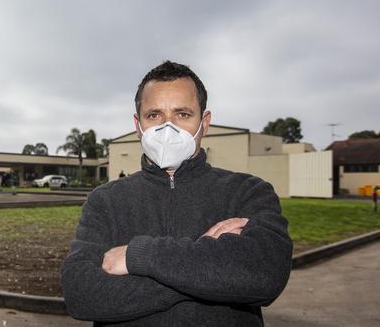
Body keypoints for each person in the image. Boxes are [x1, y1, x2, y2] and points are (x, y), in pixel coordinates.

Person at [61, 61, 293, 326]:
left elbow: (264, 276)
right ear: (138, 125)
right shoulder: (105, 200)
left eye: (182, 114)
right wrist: (203, 263)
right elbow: (81, 295)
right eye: (154, 115)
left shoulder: (248, 192)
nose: (167, 128)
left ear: (204, 123)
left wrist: (139, 256)